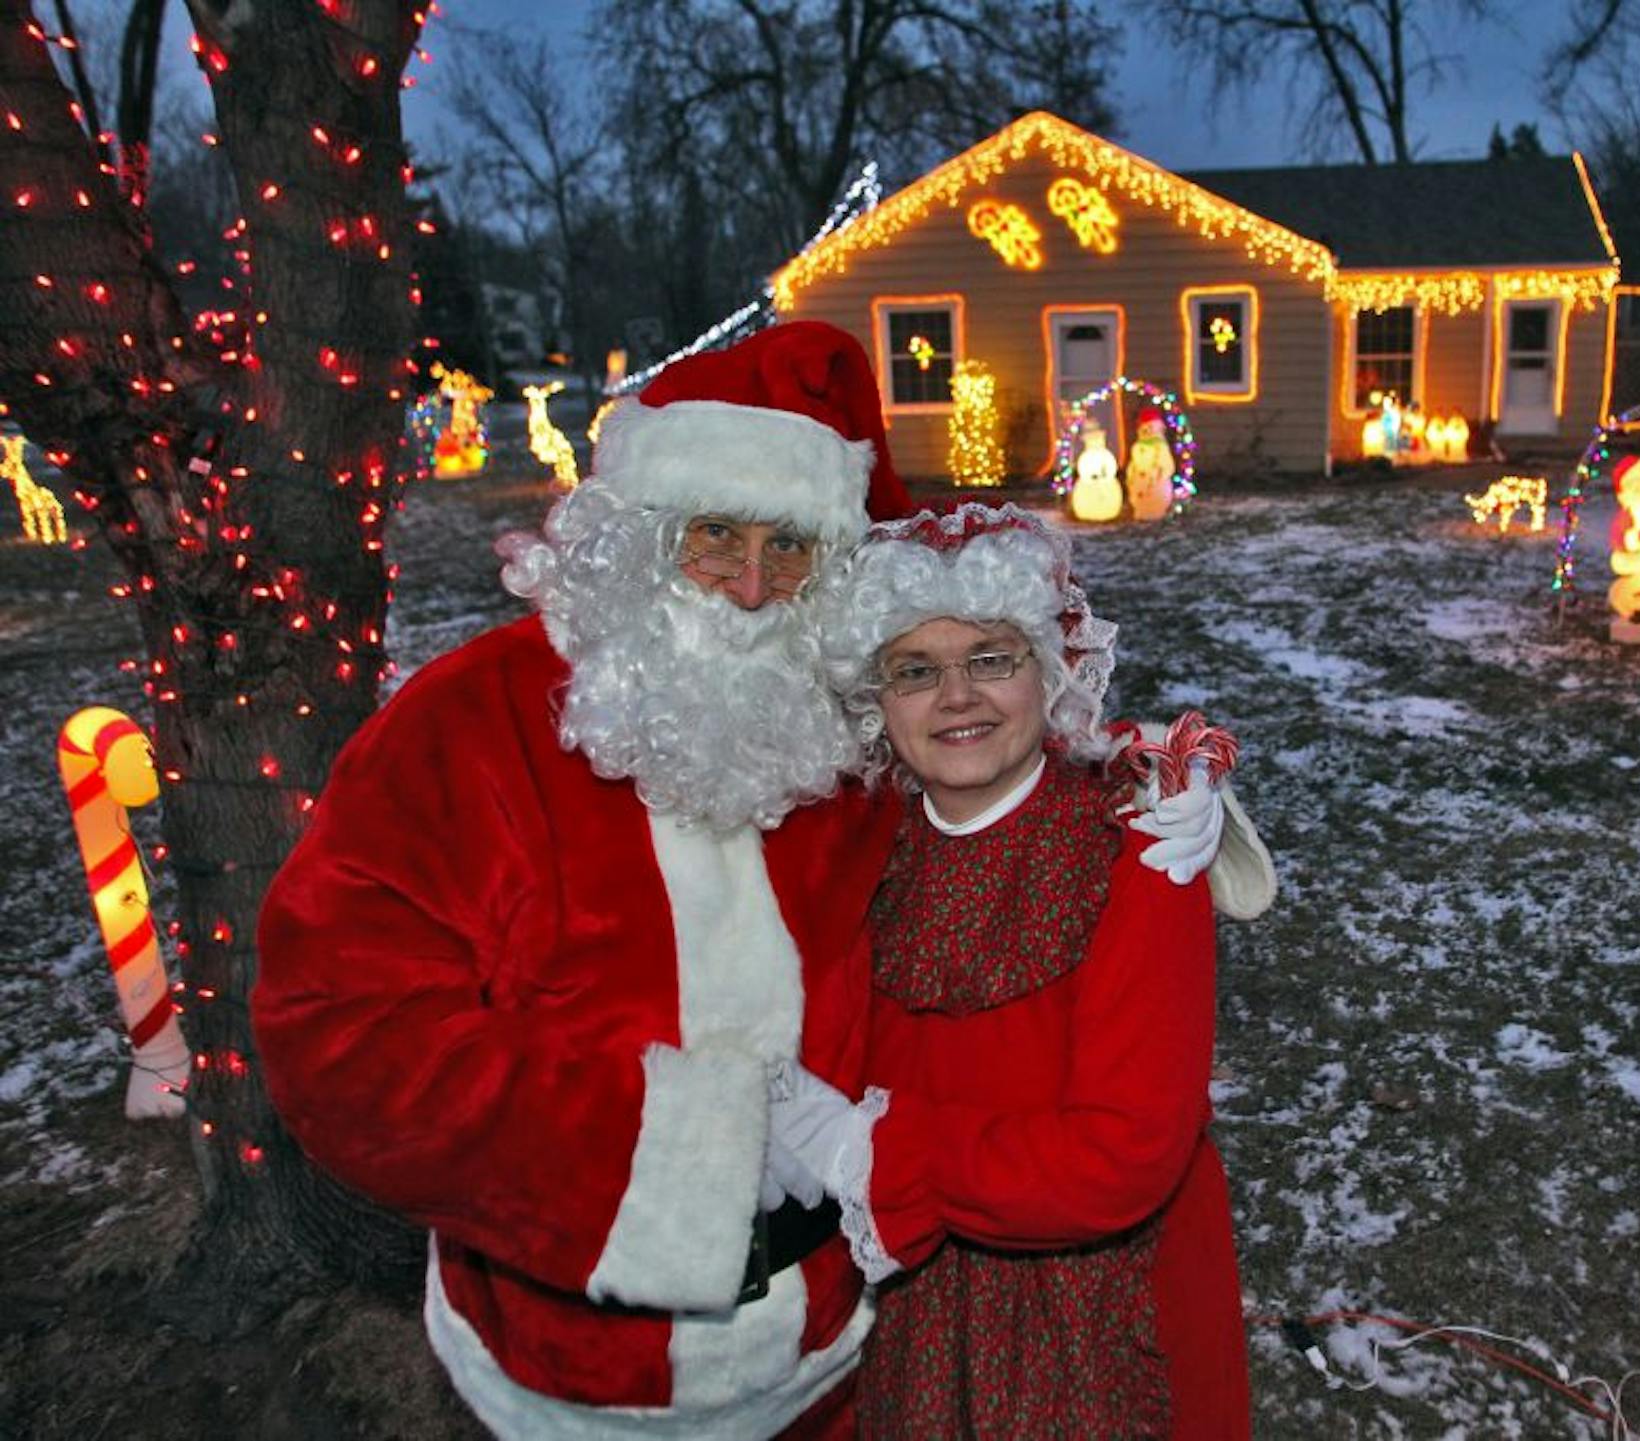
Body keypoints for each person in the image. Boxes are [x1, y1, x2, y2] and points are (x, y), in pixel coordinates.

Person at [251, 324, 1255, 1438]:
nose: (749, 585)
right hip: (572, 1375)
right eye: (714, 534)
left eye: (793, 548)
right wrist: (692, 1144)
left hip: (838, 1352)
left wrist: (1158, 770)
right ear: (637, 535)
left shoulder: (833, 717)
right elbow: (339, 1036)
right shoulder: (465, 726)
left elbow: (991, 726)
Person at [765, 503, 1253, 1437]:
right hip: (914, 1296)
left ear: (1050, 674)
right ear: (875, 699)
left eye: (991, 657)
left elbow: (1123, 1156)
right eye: (916, 669)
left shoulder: (1137, 849)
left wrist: (872, 1154)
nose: (957, 697)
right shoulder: (867, 851)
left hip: (1100, 1309)